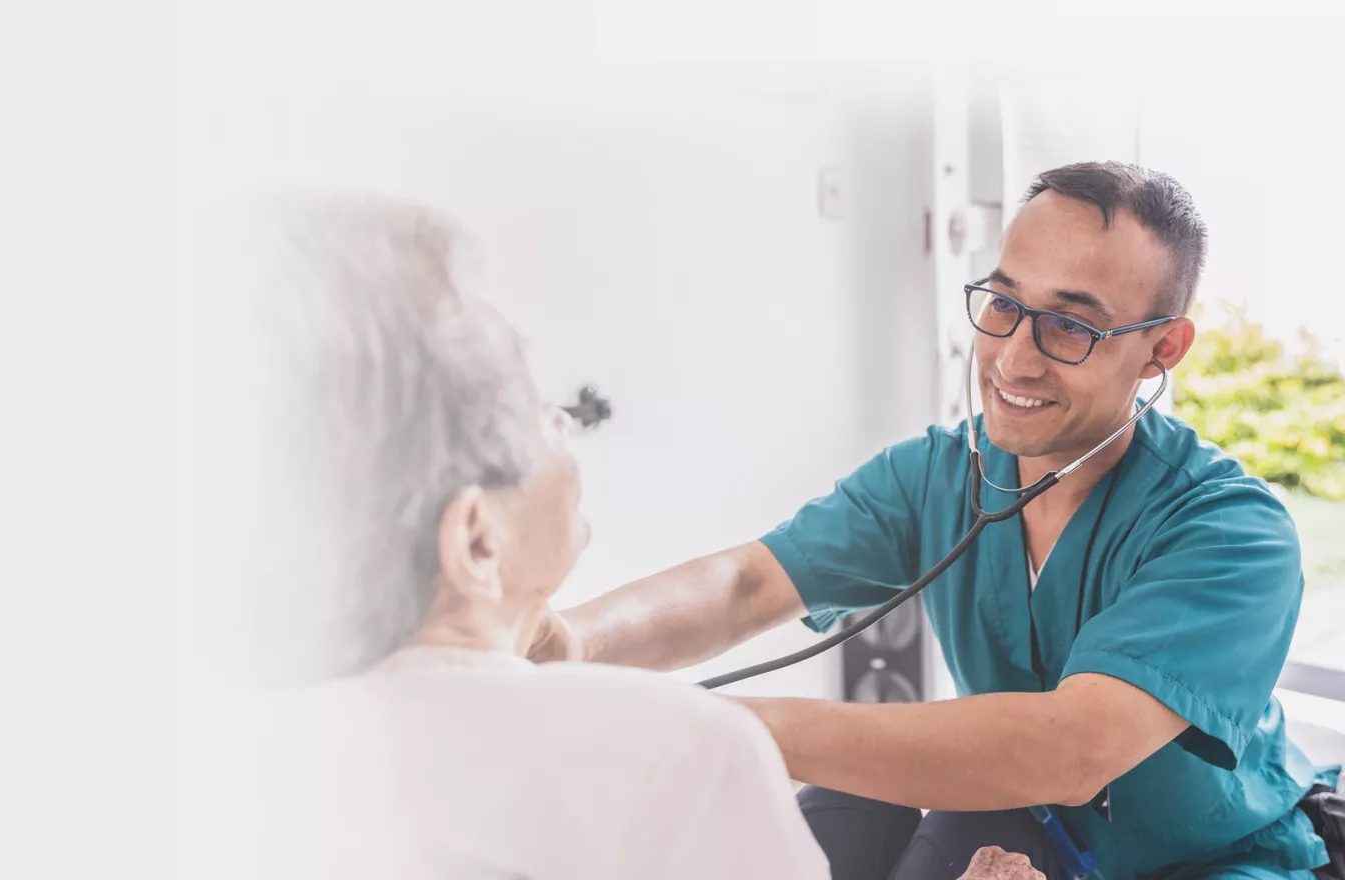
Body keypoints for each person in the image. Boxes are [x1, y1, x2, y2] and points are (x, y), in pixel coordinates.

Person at [530, 161, 1343, 879]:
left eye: (1071, 324)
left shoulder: (1234, 533)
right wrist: (571, 642)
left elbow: (1069, 748)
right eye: (1002, 302)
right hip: (1023, 828)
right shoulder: (943, 471)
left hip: (1202, 861)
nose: (1012, 359)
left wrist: (715, 728)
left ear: (1163, 349)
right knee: (852, 801)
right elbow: (746, 585)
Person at [239, 195, 1037, 880]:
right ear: (477, 540)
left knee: (869, 795)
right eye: (533, 407)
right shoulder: (681, 757)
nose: (562, 425)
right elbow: (746, 591)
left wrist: (568, 654)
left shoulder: (231, 758)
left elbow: (744, 586)